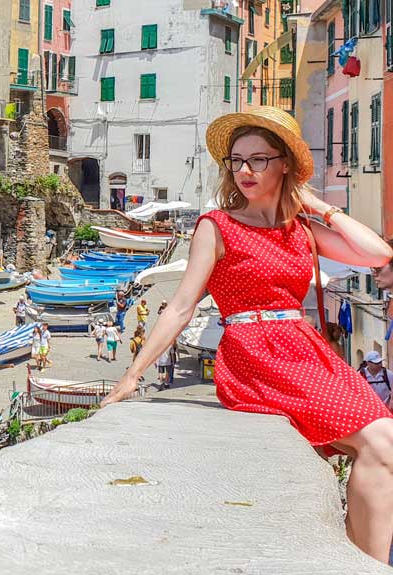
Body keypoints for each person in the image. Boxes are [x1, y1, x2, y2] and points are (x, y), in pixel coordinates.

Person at [102, 107, 393, 563]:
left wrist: (318, 206)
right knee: (381, 440)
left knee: (383, 445)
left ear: (285, 165)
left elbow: (378, 254)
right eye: (236, 160)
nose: (244, 171)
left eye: (259, 159)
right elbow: (181, 306)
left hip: (305, 350)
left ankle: (361, 564)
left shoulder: (301, 228)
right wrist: (132, 376)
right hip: (255, 354)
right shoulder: (216, 227)